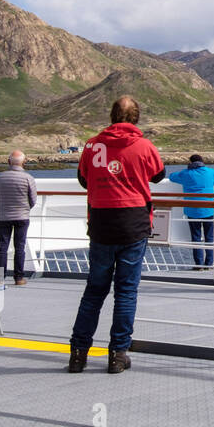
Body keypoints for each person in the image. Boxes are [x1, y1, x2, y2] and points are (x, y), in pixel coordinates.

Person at [68, 96, 166, 374]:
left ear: (111, 116)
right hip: (133, 223)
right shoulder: (144, 146)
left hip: (101, 221)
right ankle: (117, 354)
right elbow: (158, 176)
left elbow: (83, 179)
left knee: (94, 290)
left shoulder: (92, 145)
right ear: (136, 117)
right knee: (125, 291)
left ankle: (78, 354)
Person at [0, 150, 37, 286]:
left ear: (8, 162)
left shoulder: (0, 177)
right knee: (19, 247)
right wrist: (24, 208)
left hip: (3, 217)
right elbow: (33, 200)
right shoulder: (28, 178)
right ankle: (18, 278)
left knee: (2, 248)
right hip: (22, 217)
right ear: (24, 162)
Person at [167, 154, 214, 270]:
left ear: (190, 162)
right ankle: (209, 263)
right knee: (209, 237)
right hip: (208, 208)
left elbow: (171, 177)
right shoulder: (210, 171)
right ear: (202, 161)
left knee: (196, 237)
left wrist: (186, 170)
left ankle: (199, 264)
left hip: (192, 210)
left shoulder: (186, 174)